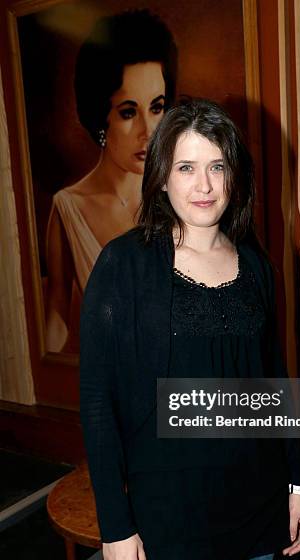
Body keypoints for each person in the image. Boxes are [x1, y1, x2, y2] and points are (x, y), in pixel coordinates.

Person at [80, 98, 300, 560]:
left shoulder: (256, 264)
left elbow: (276, 382)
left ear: (234, 176)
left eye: (216, 167)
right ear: (162, 177)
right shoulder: (123, 265)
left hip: (255, 508)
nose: (203, 185)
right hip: (169, 517)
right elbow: (97, 402)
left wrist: (297, 484)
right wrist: (116, 526)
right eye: (186, 167)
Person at [45, 9, 177, 352]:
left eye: (157, 107)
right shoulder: (68, 208)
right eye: (129, 112)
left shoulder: (183, 193)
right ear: (100, 117)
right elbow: (56, 324)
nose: (148, 131)